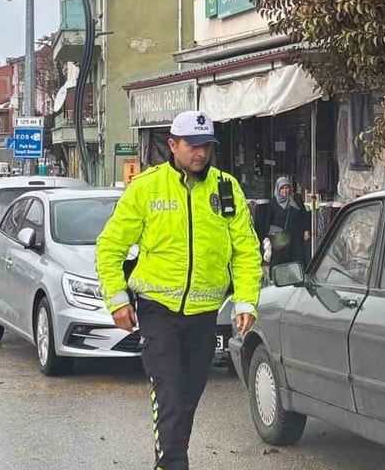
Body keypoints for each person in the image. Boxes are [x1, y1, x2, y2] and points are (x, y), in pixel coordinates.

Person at [96, 111, 261, 470]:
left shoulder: (225, 188)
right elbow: (109, 247)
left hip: (204, 316)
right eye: (193, 145)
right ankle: (174, 464)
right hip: (158, 314)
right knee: (169, 396)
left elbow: (245, 251)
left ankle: (167, 460)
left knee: (187, 398)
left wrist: (245, 300)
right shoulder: (147, 187)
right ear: (173, 145)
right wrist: (117, 299)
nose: (201, 153)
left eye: (207, 146)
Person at [265, 176, 310, 267]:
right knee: (279, 262)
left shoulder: (296, 200)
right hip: (280, 238)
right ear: (278, 189)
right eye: (282, 188)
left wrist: (306, 230)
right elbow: (268, 219)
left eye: (287, 188)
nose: (285, 190)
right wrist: (267, 236)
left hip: (296, 237)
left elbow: (304, 215)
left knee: (296, 261)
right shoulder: (273, 202)